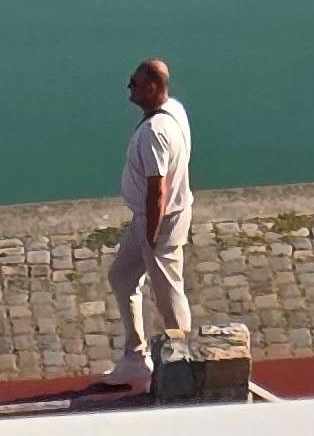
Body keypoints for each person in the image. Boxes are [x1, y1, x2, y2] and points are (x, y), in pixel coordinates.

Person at [104, 59, 193, 395]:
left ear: (153, 86)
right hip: (148, 220)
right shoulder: (175, 110)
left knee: (169, 293)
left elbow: (158, 188)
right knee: (122, 276)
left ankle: (184, 364)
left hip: (157, 222)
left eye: (135, 83)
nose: (130, 88)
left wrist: (151, 234)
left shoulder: (156, 131)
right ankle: (135, 357)